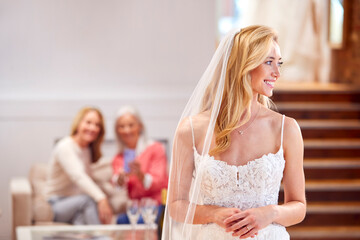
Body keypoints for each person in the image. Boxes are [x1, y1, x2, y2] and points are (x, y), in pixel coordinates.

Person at [162, 25, 306, 239]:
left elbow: (299, 207)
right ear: (243, 65)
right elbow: (175, 204)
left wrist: (270, 212)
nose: (277, 72)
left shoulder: (286, 128)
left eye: (279, 63)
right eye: (268, 62)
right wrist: (214, 213)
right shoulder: (191, 130)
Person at [46, 107, 113, 225]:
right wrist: (102, 199)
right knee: (88, 201)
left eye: (97, 125)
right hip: (56, 203)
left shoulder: (86, 149)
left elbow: (88, 179)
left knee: (82, 219)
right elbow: (78, 176)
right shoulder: (65, 147)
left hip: (75, 204)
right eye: (88, 122)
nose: (92, 128)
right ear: (78, 123)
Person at [112, 105, 168, 224]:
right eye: (122, 126)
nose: (127, 130)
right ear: (117, 130)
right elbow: (117, 183)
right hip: (136, 207)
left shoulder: (156, 148)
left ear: (140, 126)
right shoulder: (119, 157)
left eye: (131, 125)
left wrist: (140, 175)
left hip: (157, 205)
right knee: (120, 222)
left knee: (141, 221)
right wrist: (121, 179)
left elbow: (158, 182)